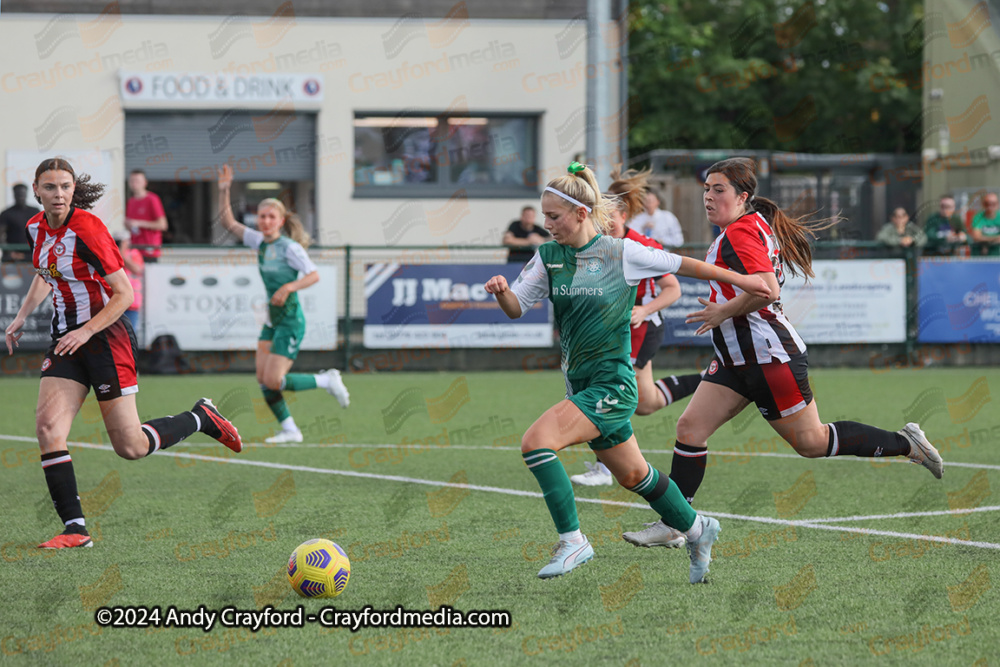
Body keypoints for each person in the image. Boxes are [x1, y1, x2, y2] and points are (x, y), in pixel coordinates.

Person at [621, 157, 944, 548]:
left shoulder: (741, 231)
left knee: (812, 443)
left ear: (743, 196)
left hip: (769, 358)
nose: (709, 196)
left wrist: (723, 309)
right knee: (690, 429)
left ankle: (906, 443)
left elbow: (768, 289)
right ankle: (676, 522)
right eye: (706, 189)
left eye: (718, 189)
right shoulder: (746, 225)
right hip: (735, 360)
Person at [485, 161, 772, 583]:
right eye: (543, 216)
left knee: (536, 442)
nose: (546, 225)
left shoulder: (622, 252)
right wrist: (503, 293)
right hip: (580, 386)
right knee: (635, 475)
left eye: (554, 216)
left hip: (614, 386)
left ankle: (573, 541)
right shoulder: (547, 257)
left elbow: (685, 265)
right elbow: (516, 309)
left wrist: (748, 282)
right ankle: (697, 529)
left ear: (582, 214)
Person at [4, 158, 243, 550]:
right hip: (67, 339)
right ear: (37, 191)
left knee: (130, 447)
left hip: (104, 337)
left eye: (65, 186)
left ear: (72, 189)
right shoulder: (35, 228)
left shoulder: (89, 228)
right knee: (48, 429)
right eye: (50, 187)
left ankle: (200, 417)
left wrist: (87, 331)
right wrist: (20, 317)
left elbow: (125, 294)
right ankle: (75, 529)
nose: (59, 193)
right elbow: (45, 274)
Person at [569, 167, 704, 518]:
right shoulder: (595, 245)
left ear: (625, 216)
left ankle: (603, 468)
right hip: (614, 331)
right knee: (645, 403)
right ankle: (705, 381)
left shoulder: (642, 245)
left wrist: (644, 308)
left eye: (611, 218)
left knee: (605, 392)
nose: (606, 225)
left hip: (643, 328)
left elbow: (672, 289)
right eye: (601, 218)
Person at [217, 164, 350, 443]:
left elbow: (313, 275)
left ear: (280, 221)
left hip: (290, 321)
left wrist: (290, 286)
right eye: (261, 216)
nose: (265, 221)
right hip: (271, 321)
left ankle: (327, 380)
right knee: (262, 379)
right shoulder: (259, 241)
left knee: (274, 380)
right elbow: (229, 223)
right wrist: (224, 189)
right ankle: (290, 429)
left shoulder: (291, 247)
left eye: (270, 217)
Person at [125, 169, 168, 262]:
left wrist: (139, 223)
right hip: (134, 250)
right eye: (132, 181)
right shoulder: (131, 201)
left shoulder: (152, 199)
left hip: (150, 250)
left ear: (145, 183)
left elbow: (163, 225)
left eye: (137, 181)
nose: (134, 183)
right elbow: (131, 227)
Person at [112, 231, 144, 332]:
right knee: (114, 335)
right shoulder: (110, 254)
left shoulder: (133, 253)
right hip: (114, 301)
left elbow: (137, 269)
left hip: (131, 302)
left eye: (120, 242)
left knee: (130, 334)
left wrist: (121, 254)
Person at [0, 183, 40, 261]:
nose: (20, 197)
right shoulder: (6, 213)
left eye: (22, 194)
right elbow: (0, 235)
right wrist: (10, 252)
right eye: (18, 195)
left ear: (26, 194)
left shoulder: (35, 212)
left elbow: (42, 232)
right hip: (12, 255)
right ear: (14, 195)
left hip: (32, 253)